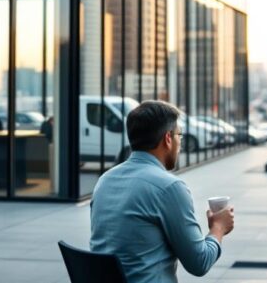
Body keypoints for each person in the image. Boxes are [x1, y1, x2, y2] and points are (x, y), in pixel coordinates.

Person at [91, 100, 233, 283]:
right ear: (168, 139)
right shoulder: (169, 187)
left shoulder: (105, 180)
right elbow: (199, 263)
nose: (180, 144)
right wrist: (218, 227)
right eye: (179, 135)